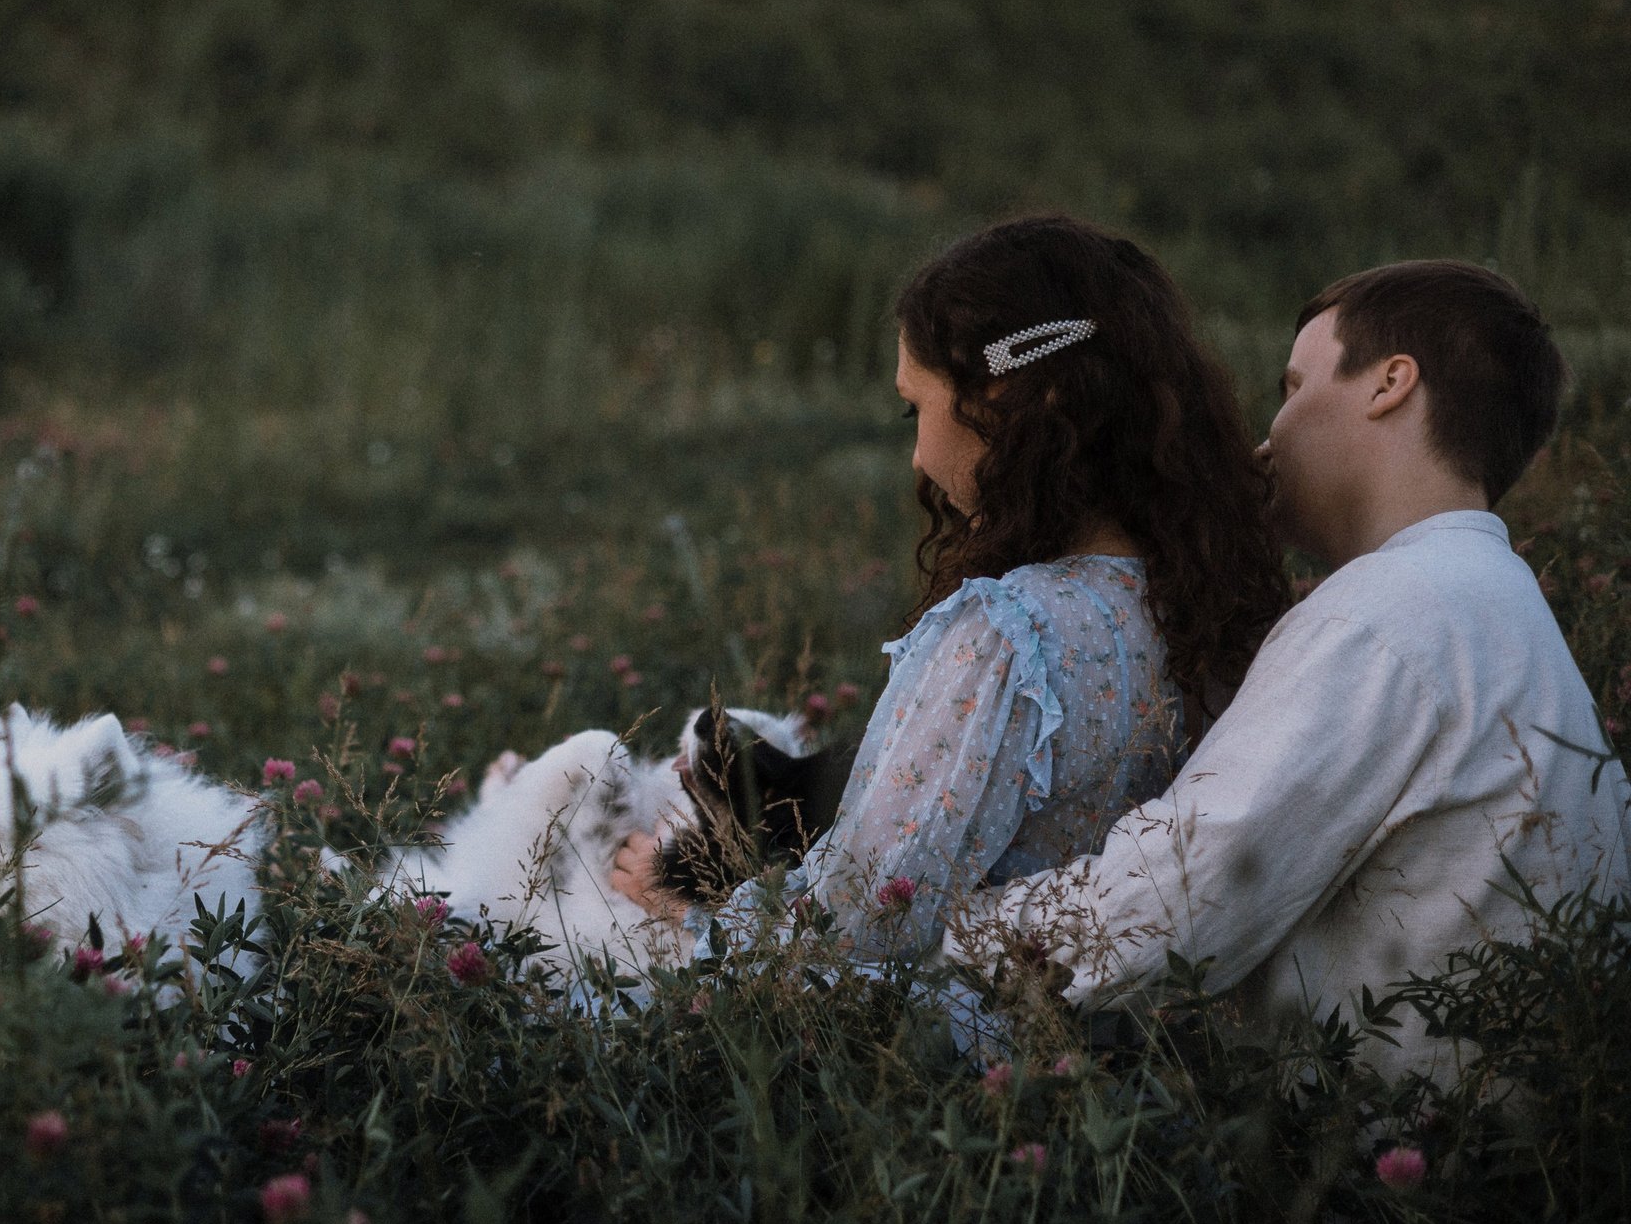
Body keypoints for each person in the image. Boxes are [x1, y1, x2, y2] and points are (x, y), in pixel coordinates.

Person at [939, 260, 1630, 1080]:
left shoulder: (1386, 612)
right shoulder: (1490, 600)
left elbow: (1168, 906)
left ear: (1390, 384)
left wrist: (941, 931)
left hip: (1373, 1174)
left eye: (1294, 385)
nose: (1269, 436)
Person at [612, 214, 1292, 960]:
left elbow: (865, 918)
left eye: (918, 406)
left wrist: (681, 895)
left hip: (974, 1049)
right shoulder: (1211, 605)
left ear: (1011, 399)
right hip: (1141, 1042)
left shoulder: (1010, 634)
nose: (915, 455)